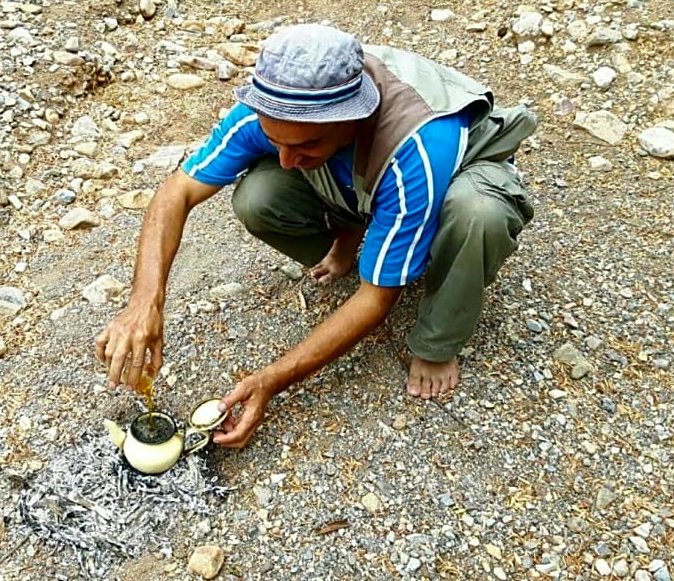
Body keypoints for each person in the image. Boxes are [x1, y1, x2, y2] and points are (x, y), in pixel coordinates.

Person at [95, 24, 536, 448]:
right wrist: (143, 305)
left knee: (478, 213)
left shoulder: (416, 147)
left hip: (462, 170)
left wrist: (272, 380)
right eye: (275, 140)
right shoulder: (273, 106)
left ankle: (438, 341)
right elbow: (178, 190)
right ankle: (360, 234)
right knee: (259, 196)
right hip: (364, 169)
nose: (285, 159)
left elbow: (376, 299)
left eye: (304, 145)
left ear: (353, 120)